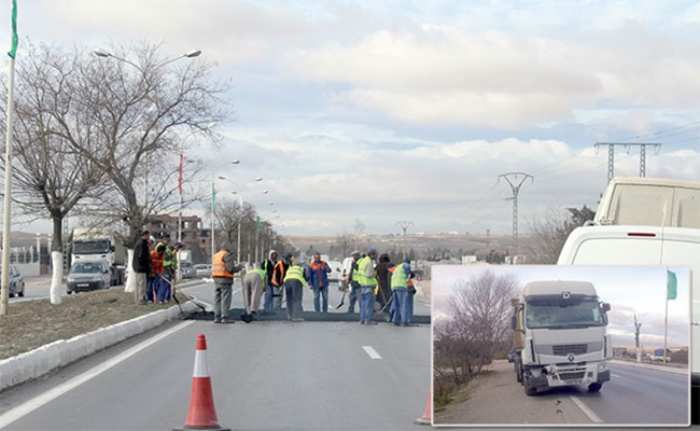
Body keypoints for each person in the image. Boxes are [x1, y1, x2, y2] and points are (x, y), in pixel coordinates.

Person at [212, 243, 242, 324]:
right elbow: (230, 269)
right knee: (225, 299)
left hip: (216, 279)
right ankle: (225, 317)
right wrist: (239, 267)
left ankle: (217, 317)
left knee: (217, 299)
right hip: (225, 279)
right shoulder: (226, 255)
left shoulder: (216, 255)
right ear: (227, 248)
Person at [283, 255, 308, 321]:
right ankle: (296, 316)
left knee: (289, 299)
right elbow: (306, 277)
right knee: (296, 299)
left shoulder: (290, 268)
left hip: (287, 282)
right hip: (296, 282)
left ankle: (289, 315)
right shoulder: (301, 268)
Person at [357, 248, 378, 324]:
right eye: (375, 254)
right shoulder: (369, 262)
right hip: (368, 285)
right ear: (372, 254)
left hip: (362, 285)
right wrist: (375, 273)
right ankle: (368, 320)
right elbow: (369, 274)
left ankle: (362, 319)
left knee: (363, 304)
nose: (376, 256)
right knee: (369, 305)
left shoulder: (363, 261)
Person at [389, 258, 412, 326]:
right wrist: (410, 287)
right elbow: (408, 277)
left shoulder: (398, 267)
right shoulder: (406, 265)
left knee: (397, 305)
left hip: (394, 287)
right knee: (404, 304)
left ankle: (395, 320)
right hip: (402, 287)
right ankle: (405, 321)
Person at [132, 230, 151, 304]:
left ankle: (137, 299)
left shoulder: (139, 242)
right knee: (142, 284)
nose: (149, 237)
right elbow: (141, 256)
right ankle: (141, 299)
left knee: (138, 284)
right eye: (148, 235)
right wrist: (147, 264)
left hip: (137, 267)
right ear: (145, 235)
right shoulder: (142, 243)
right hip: (141, 267)